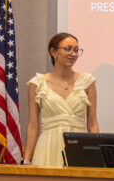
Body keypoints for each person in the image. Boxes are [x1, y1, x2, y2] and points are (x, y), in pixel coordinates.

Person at [24, 32, 99, 167]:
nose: (73, 54)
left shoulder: (87, 82)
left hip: (78, 147)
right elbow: (33, 125)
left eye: (76, 50)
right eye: (68, 49)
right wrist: (26, 160)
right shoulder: (37, 83)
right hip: (48, 147)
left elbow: (92, 124)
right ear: (53, 51)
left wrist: (95, 156)